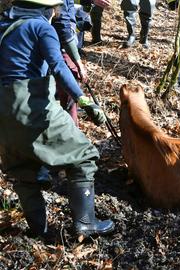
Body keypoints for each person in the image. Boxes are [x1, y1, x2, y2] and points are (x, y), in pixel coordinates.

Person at [0, 0, 114, 239]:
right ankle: (85, 223)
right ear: (47, 9)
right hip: (32, 107)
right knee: (84, 156)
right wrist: (84, 102)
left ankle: (39, 233)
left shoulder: (3, 26)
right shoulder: (41, 28)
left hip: (3, 115)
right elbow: (59, 67)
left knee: (23, 172)